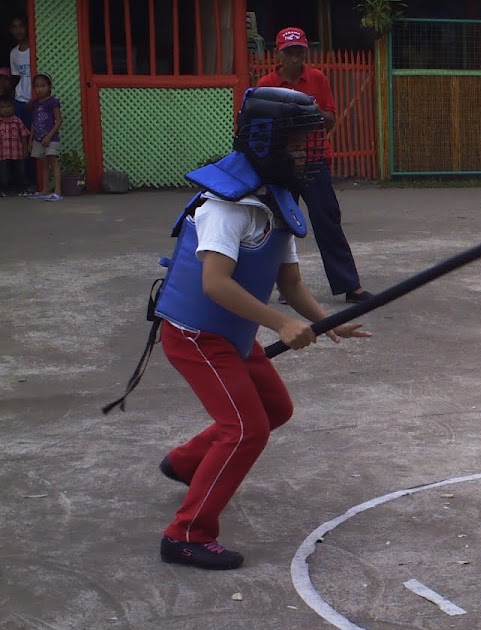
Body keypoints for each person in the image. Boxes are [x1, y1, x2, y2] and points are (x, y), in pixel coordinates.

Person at [150, 87, 371, 569]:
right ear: (266, 140)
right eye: (296, 143)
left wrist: (327, 323)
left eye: (307, 143)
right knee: (245, 428)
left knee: (274, 408)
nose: (305, 153)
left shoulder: (277, 199)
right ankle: (186, 533)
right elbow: (215, 285)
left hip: (232, 335)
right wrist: (280, 324)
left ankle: (186, 463)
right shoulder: (228, 205)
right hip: (197, 334)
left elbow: (289, 283)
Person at [256, 27, 372, 303]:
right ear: (279, 54)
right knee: (279, 224)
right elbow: (259, 126)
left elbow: (330, 118)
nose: (295, 58)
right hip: (281, 163)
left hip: (314, 159)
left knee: (327, 220)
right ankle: (284, 286)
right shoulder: (266, 84)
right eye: (289, 53)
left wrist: (310, 110)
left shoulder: (317, 79)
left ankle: (350, 285)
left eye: (299, 52)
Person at [8, 15, 34, 193]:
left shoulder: (36, 48)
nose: (18, 30)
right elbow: (16, 78)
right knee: (20, 144)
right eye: (14, 27)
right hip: (20, 101)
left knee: (36, 142)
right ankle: (23, 183)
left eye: (21, 26)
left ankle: (35, 181)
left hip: (35, 101)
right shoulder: (14, 53)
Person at [29, 73, 62, 202]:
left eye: (43, 86)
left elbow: (59, 120)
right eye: (36, 86)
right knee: (43, 164)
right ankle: (45, 189)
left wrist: (49, 136)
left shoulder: (52, 102)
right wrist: (31, 139)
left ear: (49, 87)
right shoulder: (35, 104)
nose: (39, 89)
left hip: (51, 139)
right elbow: (34, 122)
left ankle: (58, 191)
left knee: (53, 163)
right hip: (38, 138)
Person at [0, 97, 30, 196]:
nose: (6, 109)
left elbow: (24, 135)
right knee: (4, 174)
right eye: (2, 107)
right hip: (2, 154)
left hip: (17, 153)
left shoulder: (17, 121)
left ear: (13, 107)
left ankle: (22, 190)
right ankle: (4, 190)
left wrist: (25, 149)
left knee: (20, 172)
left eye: (8, 106)